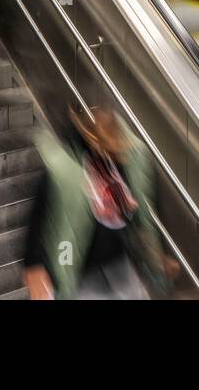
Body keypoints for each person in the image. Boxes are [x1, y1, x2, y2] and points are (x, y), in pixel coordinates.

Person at [22, 106, 167, 300]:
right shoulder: (64, 171)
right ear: (95, 142)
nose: (119, 156)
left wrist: (157, 253)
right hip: (80, 269)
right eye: (112, 149)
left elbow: (143, 205)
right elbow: (38, 221)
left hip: (120, 264)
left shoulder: (128, 160)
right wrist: (34, 266)